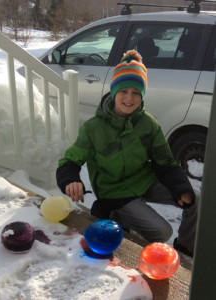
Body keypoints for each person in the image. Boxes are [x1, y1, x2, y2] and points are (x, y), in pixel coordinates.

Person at [56, 50, 198, 257]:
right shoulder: (93, 128)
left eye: (136, 92)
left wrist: (180, 188)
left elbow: (165, 161)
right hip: (115, 192)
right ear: (114, 92)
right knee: (162, 231)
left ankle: (186, 249)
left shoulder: (148, 123)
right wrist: (70, 180)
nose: (129, 98)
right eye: (124, 91)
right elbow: (70, 159)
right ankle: (114, 214)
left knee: (197, 199)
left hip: (143, 179)